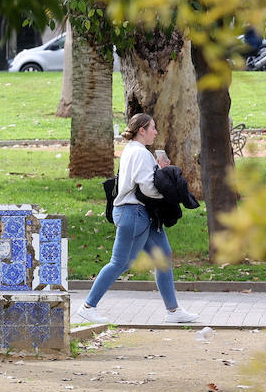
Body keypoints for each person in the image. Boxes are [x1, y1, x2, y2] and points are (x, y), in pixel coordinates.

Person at [76, 113, 198, 324]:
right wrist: (171, 195)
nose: (155, 131)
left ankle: (173, 311)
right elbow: (148, 188)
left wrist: (159, 169)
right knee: (120, 263)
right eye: (153, 127)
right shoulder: (140, 153)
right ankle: (88, 307)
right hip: (134, 214)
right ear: (142, 129)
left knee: (163, 258)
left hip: (140, 214)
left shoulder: (133, 151)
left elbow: (144, 180)